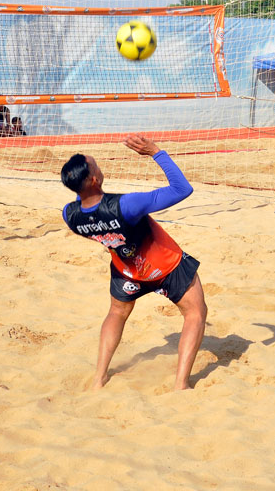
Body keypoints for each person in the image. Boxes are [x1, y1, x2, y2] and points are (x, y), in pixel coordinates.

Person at [61, 135, 207, 391]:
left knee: (116, 313)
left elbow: (87, 207)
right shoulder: (126, 205)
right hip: (167, 266)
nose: (98, 164)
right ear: (94, 179)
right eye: (95, 164)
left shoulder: (70, 215)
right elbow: (182, 189)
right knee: (195, 313)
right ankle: (181, 384)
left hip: (126, 271)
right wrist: (155, 152)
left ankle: (99, 378)